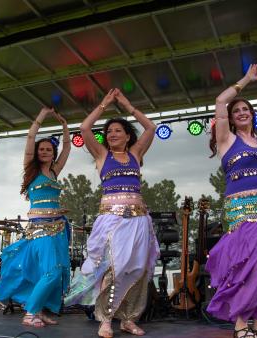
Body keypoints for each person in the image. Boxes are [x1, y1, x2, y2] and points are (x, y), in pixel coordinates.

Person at [65, 89, 160, 338]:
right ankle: (105, 319)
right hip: (112, 220)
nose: (112, 134)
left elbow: (150, 128)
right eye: (109, 131)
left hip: (139, 220)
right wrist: (104, 104)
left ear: (128, 136)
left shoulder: (136, 154)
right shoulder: (102, 155)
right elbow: (85, 129)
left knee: (138, 270)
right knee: (112, 269)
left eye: (118, 130)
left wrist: (129, 106)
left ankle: (129, 319)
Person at [206, 64, 257, 338]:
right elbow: (220, 100)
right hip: (241, 209)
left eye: (246, 110)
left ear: (252, 116)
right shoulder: (226, 140)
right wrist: (246, 79)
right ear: (230, 118)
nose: (241, 113)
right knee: (245, 265)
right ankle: (240, 324)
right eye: (237, 111)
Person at [0, 107, 71, 328]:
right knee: (52, 271)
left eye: (48, 149)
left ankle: (42, 310)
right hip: (41, 228)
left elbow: (67, 148)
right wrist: (42, 115)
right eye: (41, 149)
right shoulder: (32, 170)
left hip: (58, 228)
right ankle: (30, 312)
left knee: (56, 271)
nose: (45, 152)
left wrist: (65, 125)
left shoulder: (55, 171)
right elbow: (30, 136)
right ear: (36, 153)